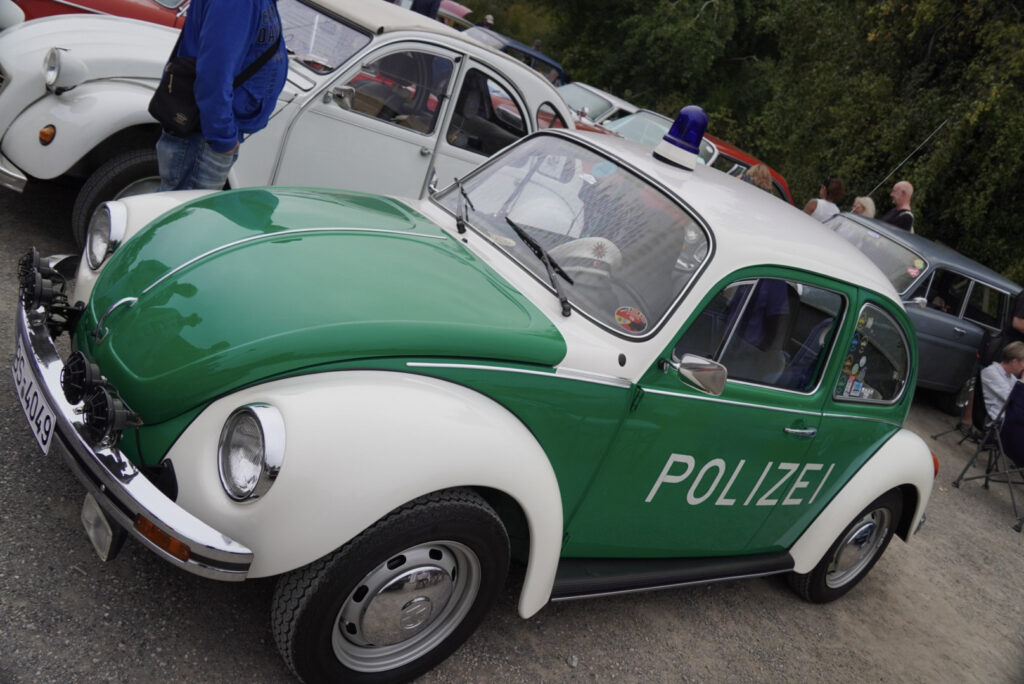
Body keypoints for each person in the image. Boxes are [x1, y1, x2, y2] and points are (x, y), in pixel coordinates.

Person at [155, 0, 288, 191]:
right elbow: (214, 74)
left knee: (181, 211)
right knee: (188, 216)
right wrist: (223, 138)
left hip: (207, 133)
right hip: (204, 136)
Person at [980, 341, 1024, 422]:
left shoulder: (1010, 377)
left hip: (1004, 416)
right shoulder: (991, 372)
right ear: (1014, 362)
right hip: (993, 418)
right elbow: (1013, 398)